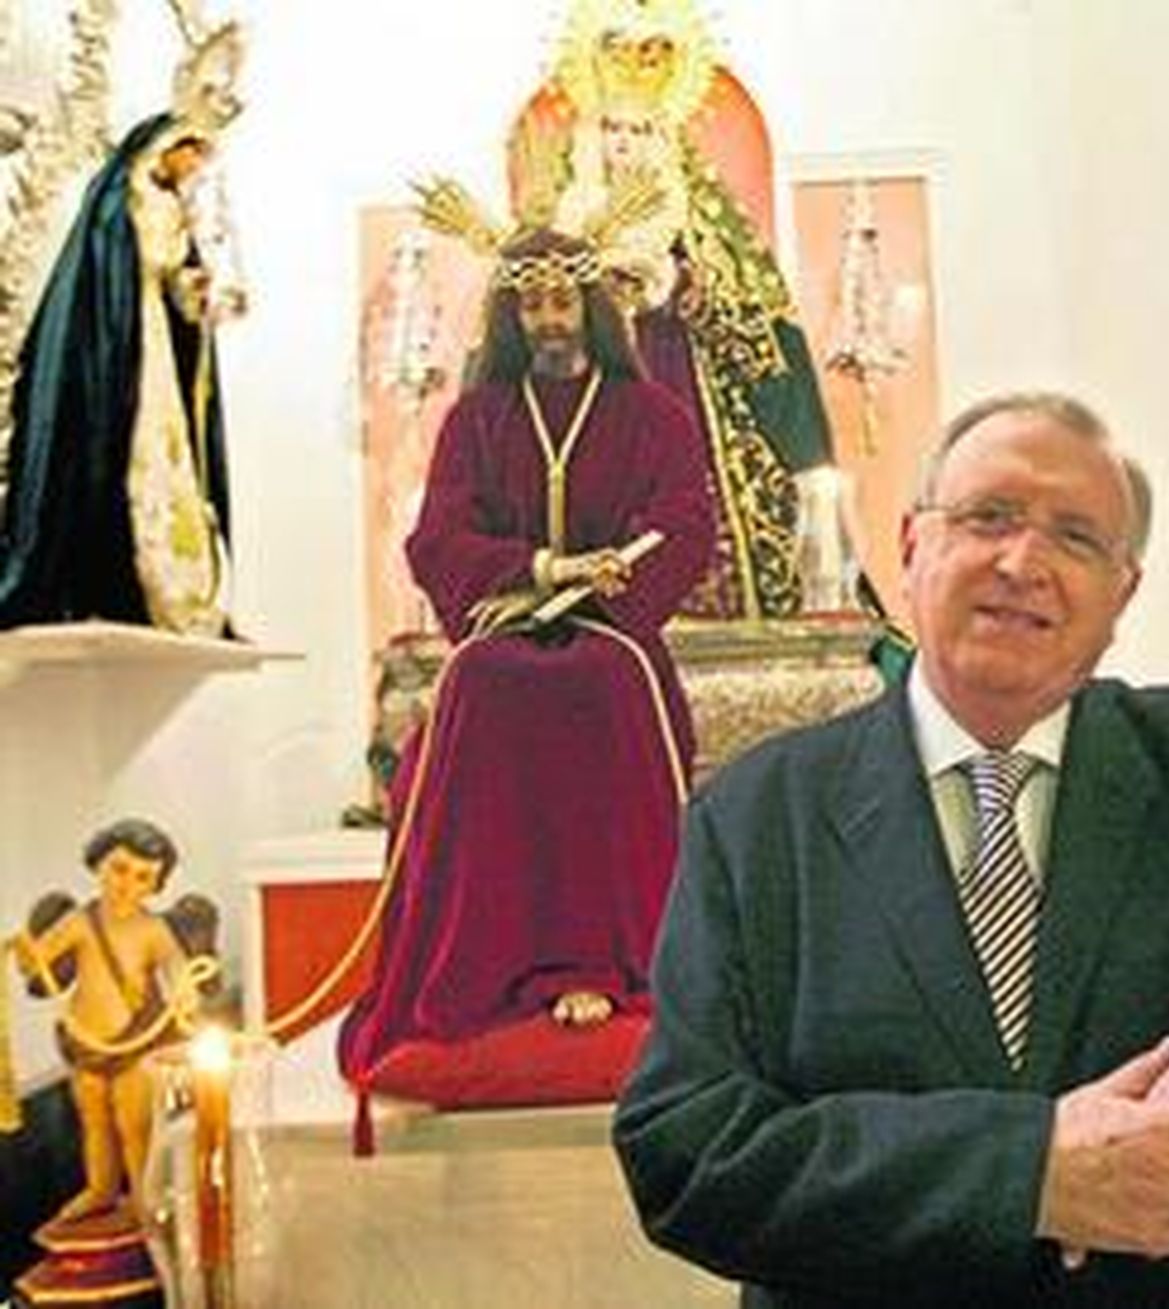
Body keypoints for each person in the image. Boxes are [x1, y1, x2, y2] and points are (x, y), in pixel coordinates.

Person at [612, 391, 1169, 1308]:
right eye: (989, 517)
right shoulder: (757, 810)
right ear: (910, 545)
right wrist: (1026, 1172)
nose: (1024, 562)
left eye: (1077, 538)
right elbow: (684, 1146)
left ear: (1121, 592)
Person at [338, 228, 715, 1086]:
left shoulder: (653, 415)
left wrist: (615, 576)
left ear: (592, 307)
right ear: (513, 315)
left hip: (615, 637)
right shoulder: (476, 418)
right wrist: (540, 570)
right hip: (504, 632)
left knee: (602, 680)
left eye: (562, 300)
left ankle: (599, 963)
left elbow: (687, 523)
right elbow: (437, 536)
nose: (549, 319)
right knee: (481, 680)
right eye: (533, 303)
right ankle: (484, 965)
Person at [511, 0, 835, 619]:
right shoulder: (560, 218)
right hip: (581, 396)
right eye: (612, 129)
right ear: (590, 132)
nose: (623, 145)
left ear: (659, 134)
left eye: (637, 131)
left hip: (679, 384)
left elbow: (758, 331)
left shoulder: (693, 214)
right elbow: (512, 333)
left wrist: (678, 282)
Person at [0, 22, 245, 634]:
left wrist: (196, 296)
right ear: (164, 146)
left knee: (166, 463)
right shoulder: (120, 202)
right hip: (122, 354)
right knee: (127, 456)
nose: (193, 166)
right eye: (190, 151)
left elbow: (179, 283)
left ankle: (173, 591)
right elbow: (111, 270)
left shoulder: (172, 207)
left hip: (154, 351)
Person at [10, 819, 216, 1225]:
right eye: (119, 869)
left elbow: (176, 968)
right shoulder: (81, 922)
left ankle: (143, 1195)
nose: (127, 884)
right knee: (94, 1120)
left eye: (143, 877)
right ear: (98, 865)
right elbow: (41, 957)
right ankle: (101, 1188)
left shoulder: (153, 929)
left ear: (155, 886)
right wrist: (25, 953)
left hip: (133, 1043)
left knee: (132, 1122)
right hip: (86, 1042)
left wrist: (183, 991)